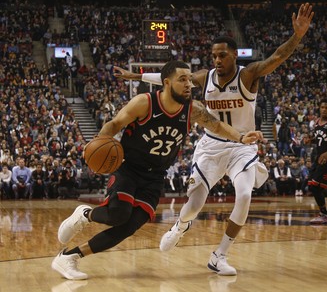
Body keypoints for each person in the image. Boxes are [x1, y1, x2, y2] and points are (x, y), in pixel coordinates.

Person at [114, 3, 314, 275]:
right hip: (211, 146)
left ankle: (219, 255)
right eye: (214, 56)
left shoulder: (248, 75)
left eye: (222, 56)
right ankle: (181, 224)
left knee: (243, 195)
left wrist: (297, 36)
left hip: (241, 146)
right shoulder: (203, 77)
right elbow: (170, 77)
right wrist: (136, 75)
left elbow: (277, 57)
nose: (217, 61)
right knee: (194, 206)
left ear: (234, 55)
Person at [51, 60, 263, 280]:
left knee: (128, 227)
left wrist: (240, 137)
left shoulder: (193, 110)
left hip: (155, 176)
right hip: (129, 168)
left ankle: (69, 257)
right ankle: (85, 214)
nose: (189, 84)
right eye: (183, 79)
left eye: (190, 79)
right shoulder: (144, 103)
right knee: (118, 214)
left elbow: (217, 126)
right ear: (166, 82)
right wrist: (98, 142)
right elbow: (114, 125)